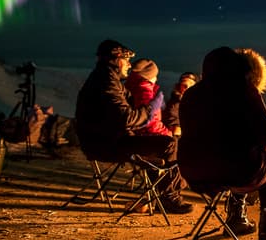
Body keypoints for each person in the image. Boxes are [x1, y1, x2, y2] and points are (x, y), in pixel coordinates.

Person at [177, 46, 266, 240]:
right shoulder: (244, 90)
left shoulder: (191, 94)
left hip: (195, 172)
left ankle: (236, 217)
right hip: (239, 172)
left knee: (238, 157)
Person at [74, 39, 193, 214]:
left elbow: (127, 101)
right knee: (169, 144)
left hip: (107, 139)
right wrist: (150, 110)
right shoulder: (106, 82)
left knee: (161, 146)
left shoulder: (108, 79)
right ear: (116, 59)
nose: (129, 65)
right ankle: (168, 197)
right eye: (126, 59)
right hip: (105, 144)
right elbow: (126, 118)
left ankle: (163, 193)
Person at [125, 59, 173, 137]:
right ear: (148, 76)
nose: (156, 79)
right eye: (155, 76)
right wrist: (167, 133)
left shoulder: (131, 87)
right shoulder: (144, 91)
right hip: (146, 137)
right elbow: (149, 121)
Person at [162, 72, 198, 138]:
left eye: (191, 84)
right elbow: (175, 128)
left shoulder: (198, 103)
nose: (187, 87)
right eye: (184, 84)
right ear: (179, 86)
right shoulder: (175, 105)